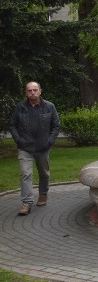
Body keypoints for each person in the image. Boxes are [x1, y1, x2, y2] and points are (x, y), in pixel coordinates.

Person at [9, 81, 61, 216]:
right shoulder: (19, 108)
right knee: (25, 174)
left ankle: (43, 194)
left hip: (43, 147)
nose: (32, 92)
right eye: (29, 90)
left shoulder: (49, 107)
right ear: (26, 93)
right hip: (25, 147)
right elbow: (13, 125)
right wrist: (18, 140)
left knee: (44, 173)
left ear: (40, 91)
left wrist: (49, 141)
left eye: (35, 90)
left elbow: (56, 126)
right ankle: (26, 203)